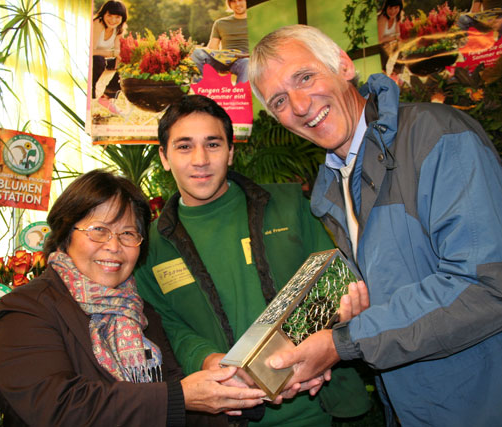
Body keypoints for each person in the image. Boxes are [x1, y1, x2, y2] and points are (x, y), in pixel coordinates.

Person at [249, 24, 502, 426]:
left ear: (342, 64)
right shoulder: (333, 187)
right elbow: (402, 290)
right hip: (418, 406)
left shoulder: (433, 135)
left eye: (305, 77)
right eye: (280, 101)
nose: (301, 105)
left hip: (499, 400)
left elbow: (489, 285)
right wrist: (330, 340)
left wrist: (342, 344)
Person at [134, 94, 371, 426]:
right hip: (227, 414)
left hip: (318, 407)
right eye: (184, 146)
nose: (200, 159)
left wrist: (311, 356)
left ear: (231, 152)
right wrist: (207, 360)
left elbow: (334, 279)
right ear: (164, 156)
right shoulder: (150, 246)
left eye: (213, 145)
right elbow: (170, 326)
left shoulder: (289, 205)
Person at [0, 170, 267, 426]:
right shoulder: (24, 310)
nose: (113, 246)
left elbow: (182, 394)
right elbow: (58, 407)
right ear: (65, 233)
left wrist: (240, 395)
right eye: (99, 230)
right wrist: (178, 397)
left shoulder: (139, 309)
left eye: (128, 233)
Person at [191, 0, 249, 84]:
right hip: (223, 57)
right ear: (229, 4)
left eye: (240, 0)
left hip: (243, 59)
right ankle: (203, 91)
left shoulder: (256, 22)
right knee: (197, 53)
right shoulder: (220, 23)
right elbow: (212, 48)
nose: (237, 4)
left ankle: (241, 93)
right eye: (233, 1)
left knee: (247, 63)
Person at [91, 0, 126, 111]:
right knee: (98, 60)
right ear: (104, 14)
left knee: (126, 63)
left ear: (122, 18)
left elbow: (117, 51)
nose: (113, 20)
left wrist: (121, 63)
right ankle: (89, 92)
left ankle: (107, 96)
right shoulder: (98, 23)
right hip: (90, 59)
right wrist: (111, 54)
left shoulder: (119, 28)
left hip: (103, 58)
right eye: (110, 15)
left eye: (117, 17)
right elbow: (89, 51)